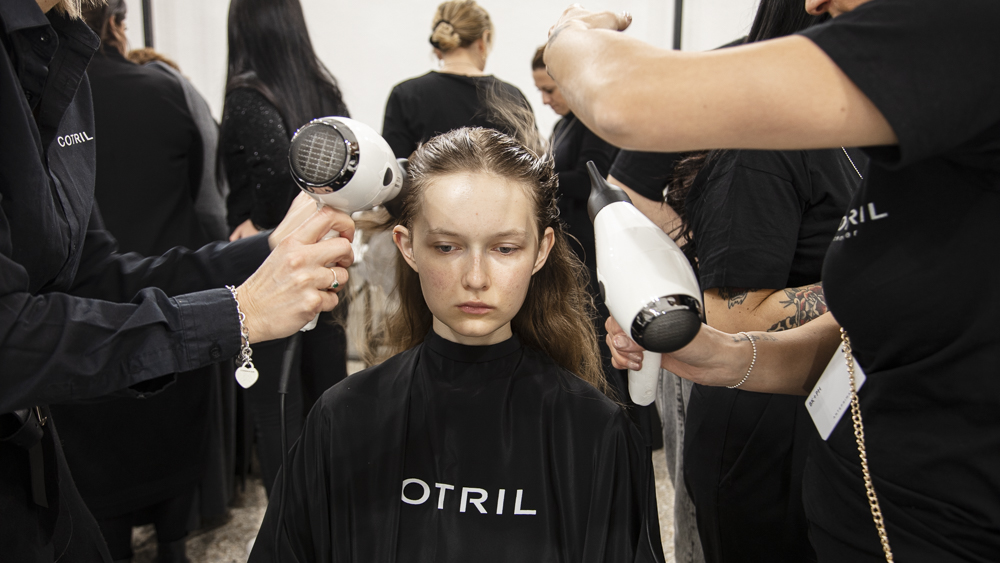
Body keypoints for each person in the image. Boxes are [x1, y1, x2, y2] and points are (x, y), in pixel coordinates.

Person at [546, 0, 1000, 561]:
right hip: (851, 502)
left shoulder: (971, 31)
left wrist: (571, 34)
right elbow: (897, 328)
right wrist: (730, 357)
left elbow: (622, 96)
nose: (811, 4)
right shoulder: (931, 135)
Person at [0, 0, 354, 561]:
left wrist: (264, 253)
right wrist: (235, 313)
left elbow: (93, 276)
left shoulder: (56, 61)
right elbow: (10, 338)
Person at [248, 125, 664, 563]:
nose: (476, 278)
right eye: (447, 247)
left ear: (541, 251)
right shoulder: (342, 419)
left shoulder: (596, 434)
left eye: (505, 249)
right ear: (407, 247)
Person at [48, 3, 226, 562]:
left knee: (100, 513)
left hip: (81, 328)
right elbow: (206, 197)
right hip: (162, 298)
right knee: (169, 486)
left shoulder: (55, 100)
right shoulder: (166, 90)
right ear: (120, 22)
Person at [219, 0, 352, 495]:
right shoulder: (325, 89)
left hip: (272, 269)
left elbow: (276, 188)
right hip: (330, 260)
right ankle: (332, 511)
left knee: (277, 405)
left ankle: (289, 525)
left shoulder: (247, 98)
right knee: (328, 393)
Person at [381, 0, 532, 159]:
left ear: (438, 45)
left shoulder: (406, 96)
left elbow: (395, 172)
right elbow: (533, 170)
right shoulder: (511, 96)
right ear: (483, 40)